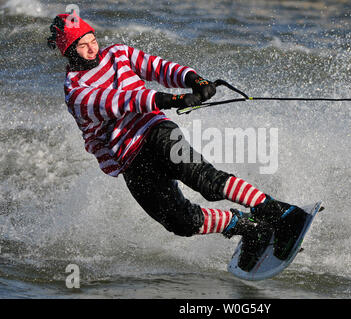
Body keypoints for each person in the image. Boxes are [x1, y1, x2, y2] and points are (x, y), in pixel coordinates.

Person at [47, 13, 310, 271]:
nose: (92, 48)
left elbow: (159, 68)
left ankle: (281, 213)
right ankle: (250, 228)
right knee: (180, 222)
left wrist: (193, 80)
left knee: (205, 180)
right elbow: (122, 101)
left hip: (156, 131)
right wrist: (174, 100)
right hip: (130, 160)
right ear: (69, 52)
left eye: (92, 39)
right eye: (82, 45)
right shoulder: (75, 92)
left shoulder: (118, 54)